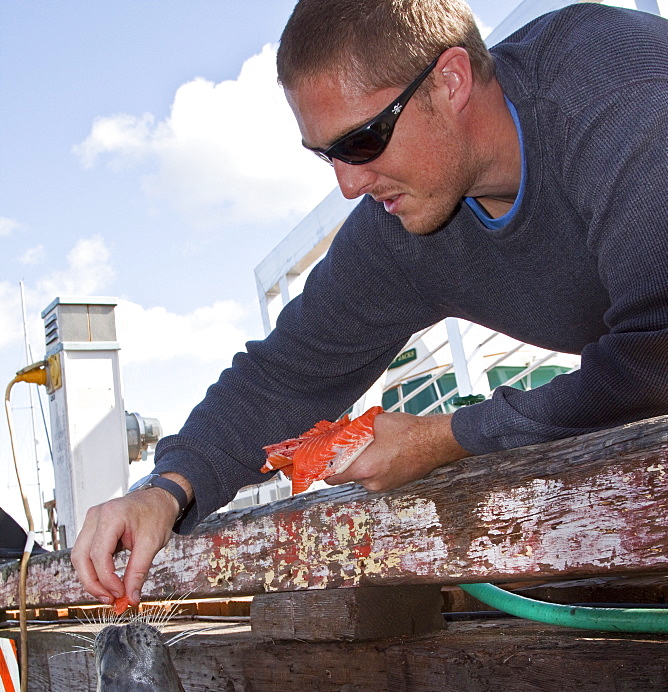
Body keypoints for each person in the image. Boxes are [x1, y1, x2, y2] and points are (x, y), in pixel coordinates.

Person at [72, 0, 668, 605]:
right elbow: (287, 376)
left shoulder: (619, 89)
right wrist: (166, 488)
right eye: (327, 154)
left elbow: (657, 352)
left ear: (451, 79)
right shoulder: (403, 229)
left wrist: (447, 436)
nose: (349, 184)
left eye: (363, 140)